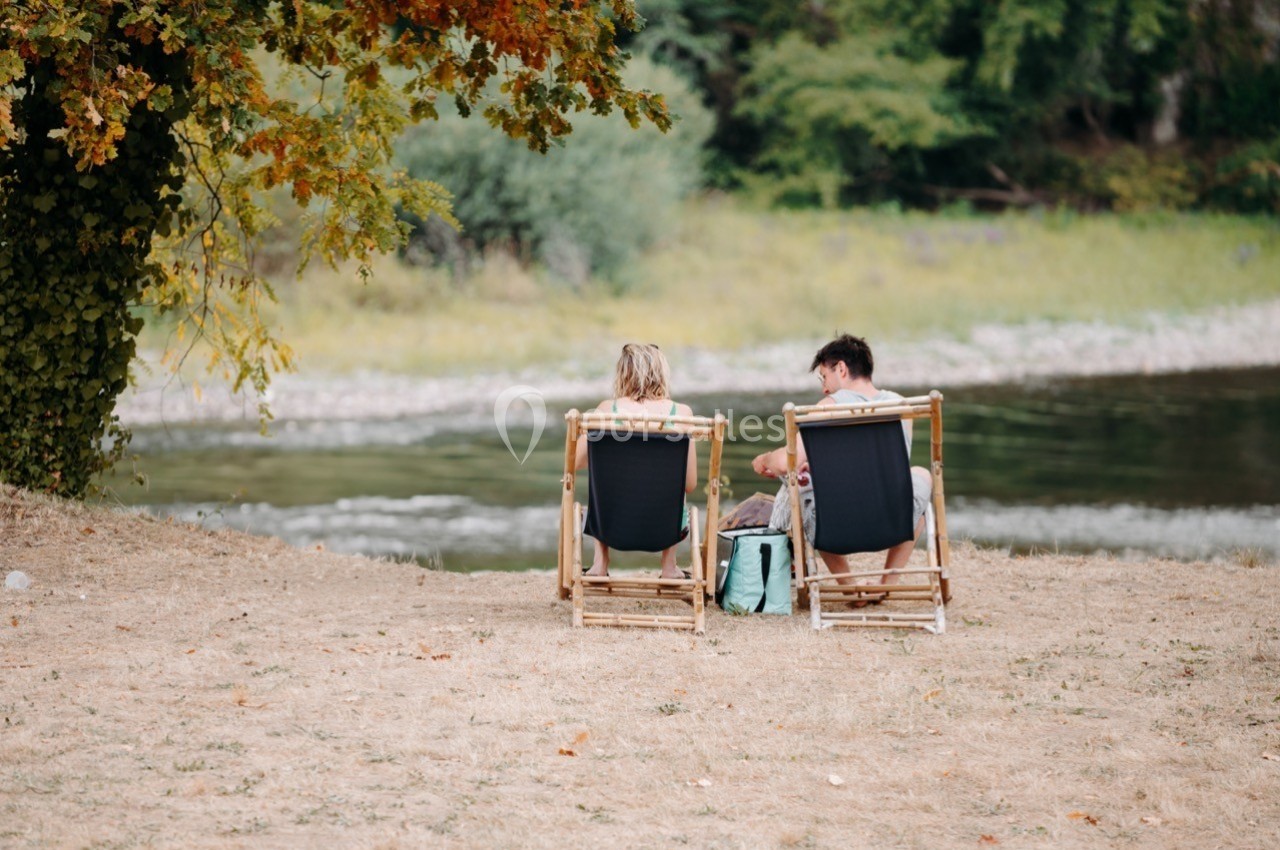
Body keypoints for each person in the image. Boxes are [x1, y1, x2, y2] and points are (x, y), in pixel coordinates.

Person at [751, 334, 931, 601]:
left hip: (835, 525)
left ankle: (849, 586)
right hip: (894, 520)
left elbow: (784, 462)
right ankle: (886, 583)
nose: (824, 389)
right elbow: (882, 469)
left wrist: (764, 459)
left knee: (808, 491)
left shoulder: (829, 408)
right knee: (920, 475)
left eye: (824, 377)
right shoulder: (901, 406)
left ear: (842, 369)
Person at [575, 343, 697, 579]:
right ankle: (669, 566)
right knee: (677, 487)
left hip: (611, 523)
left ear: (623, 374)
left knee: (601, 482)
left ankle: (600, 563)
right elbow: (690, 484)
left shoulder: (605, 411)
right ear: (661, 373)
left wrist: (613, 459)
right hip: (664, 527)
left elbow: (574, 463)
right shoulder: (682, 415)